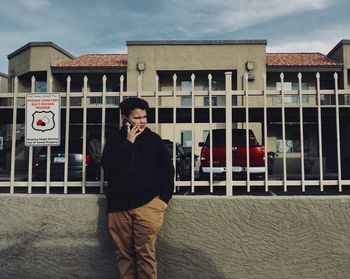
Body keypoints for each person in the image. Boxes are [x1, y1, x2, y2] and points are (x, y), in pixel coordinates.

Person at [101, 97, 174, 279]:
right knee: (123, 255)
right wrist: (128, 143)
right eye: (137, 118)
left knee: (145, 254)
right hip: (119, 207)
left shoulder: (154, 140)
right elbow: (108, 168)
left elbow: (168, 171)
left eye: (144, 117)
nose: (142, 121)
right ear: (125, 119)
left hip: (148, 205)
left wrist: (163, 201)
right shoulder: (115, 141)